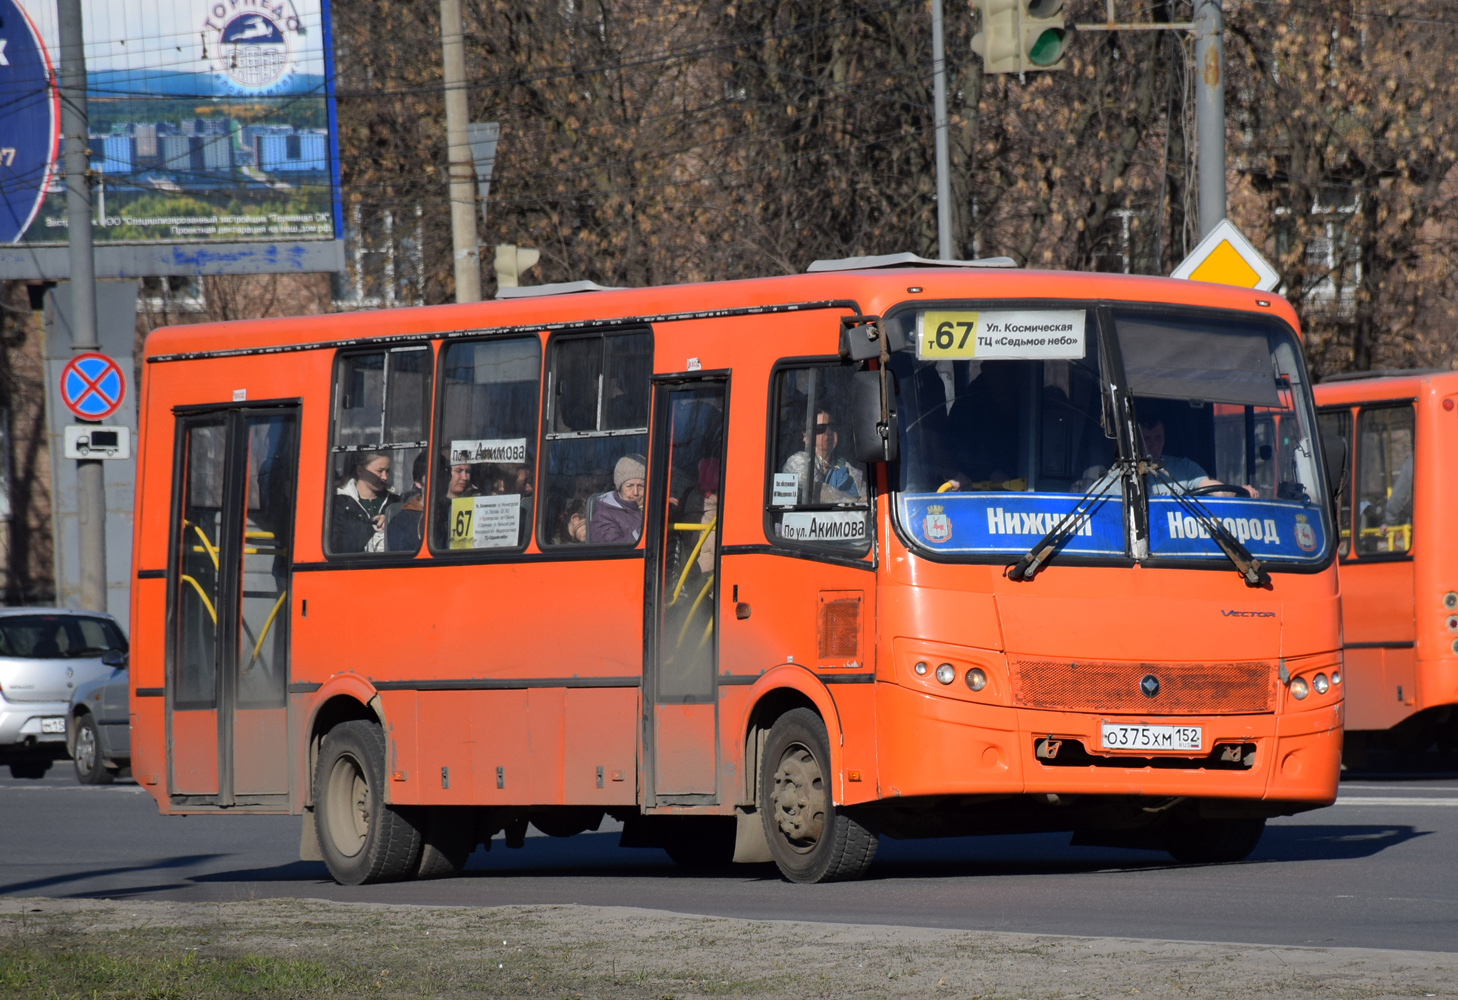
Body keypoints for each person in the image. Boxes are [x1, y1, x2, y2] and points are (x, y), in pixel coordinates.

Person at [782, 409, 866, 503]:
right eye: (820, 428)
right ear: (805, 436)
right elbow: (814, 491)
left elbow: (866, 496)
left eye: (832, 426)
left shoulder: (847, 468)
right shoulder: (797, 462)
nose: (828, 432)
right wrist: (855, 501)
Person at [332, 450, 399, 553]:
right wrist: (370, 529)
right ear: (360, 471)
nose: (385, 477)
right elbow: (336, 546)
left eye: (387, 471)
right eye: (380, 471)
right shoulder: (339, 503)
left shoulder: (395, 501)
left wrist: (392, 521)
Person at [588, 453, 646, 543]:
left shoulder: (652, 508)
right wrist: (641, 533)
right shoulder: (603, 516)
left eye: (641, 486)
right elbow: (611, 550)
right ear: (619, 488)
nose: (635, 492)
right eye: (630, 486)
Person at [386, 452, 428, 552]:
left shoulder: (454, 512)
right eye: (432, 476)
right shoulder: (402, 522)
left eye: (443, 475)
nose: (440, 481)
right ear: (418, 482)